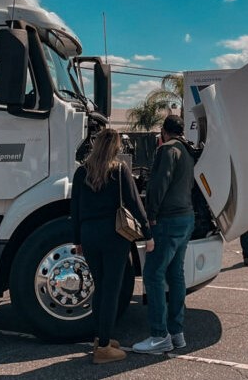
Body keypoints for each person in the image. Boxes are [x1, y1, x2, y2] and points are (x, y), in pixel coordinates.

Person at [70, 128, 150, 365]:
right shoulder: (119, 170)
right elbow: (135, 203)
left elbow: (74, 210)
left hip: (89, 235)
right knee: (111, 290)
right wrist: (148, 233)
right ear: (115, 147)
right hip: (114, 236)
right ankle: (104, 347)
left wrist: (78, 241)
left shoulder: (81, 172)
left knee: (100, 287)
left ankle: (100, 338)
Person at [133, 114, 195, 355]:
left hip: (168, 220)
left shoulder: (167, 150)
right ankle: (177, 333)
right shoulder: (188, 151)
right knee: (175, 274)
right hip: (186, 218)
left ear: (163, 132)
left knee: (153, 274)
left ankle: (159, 336)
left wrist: (150, 214)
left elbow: (159, 183)